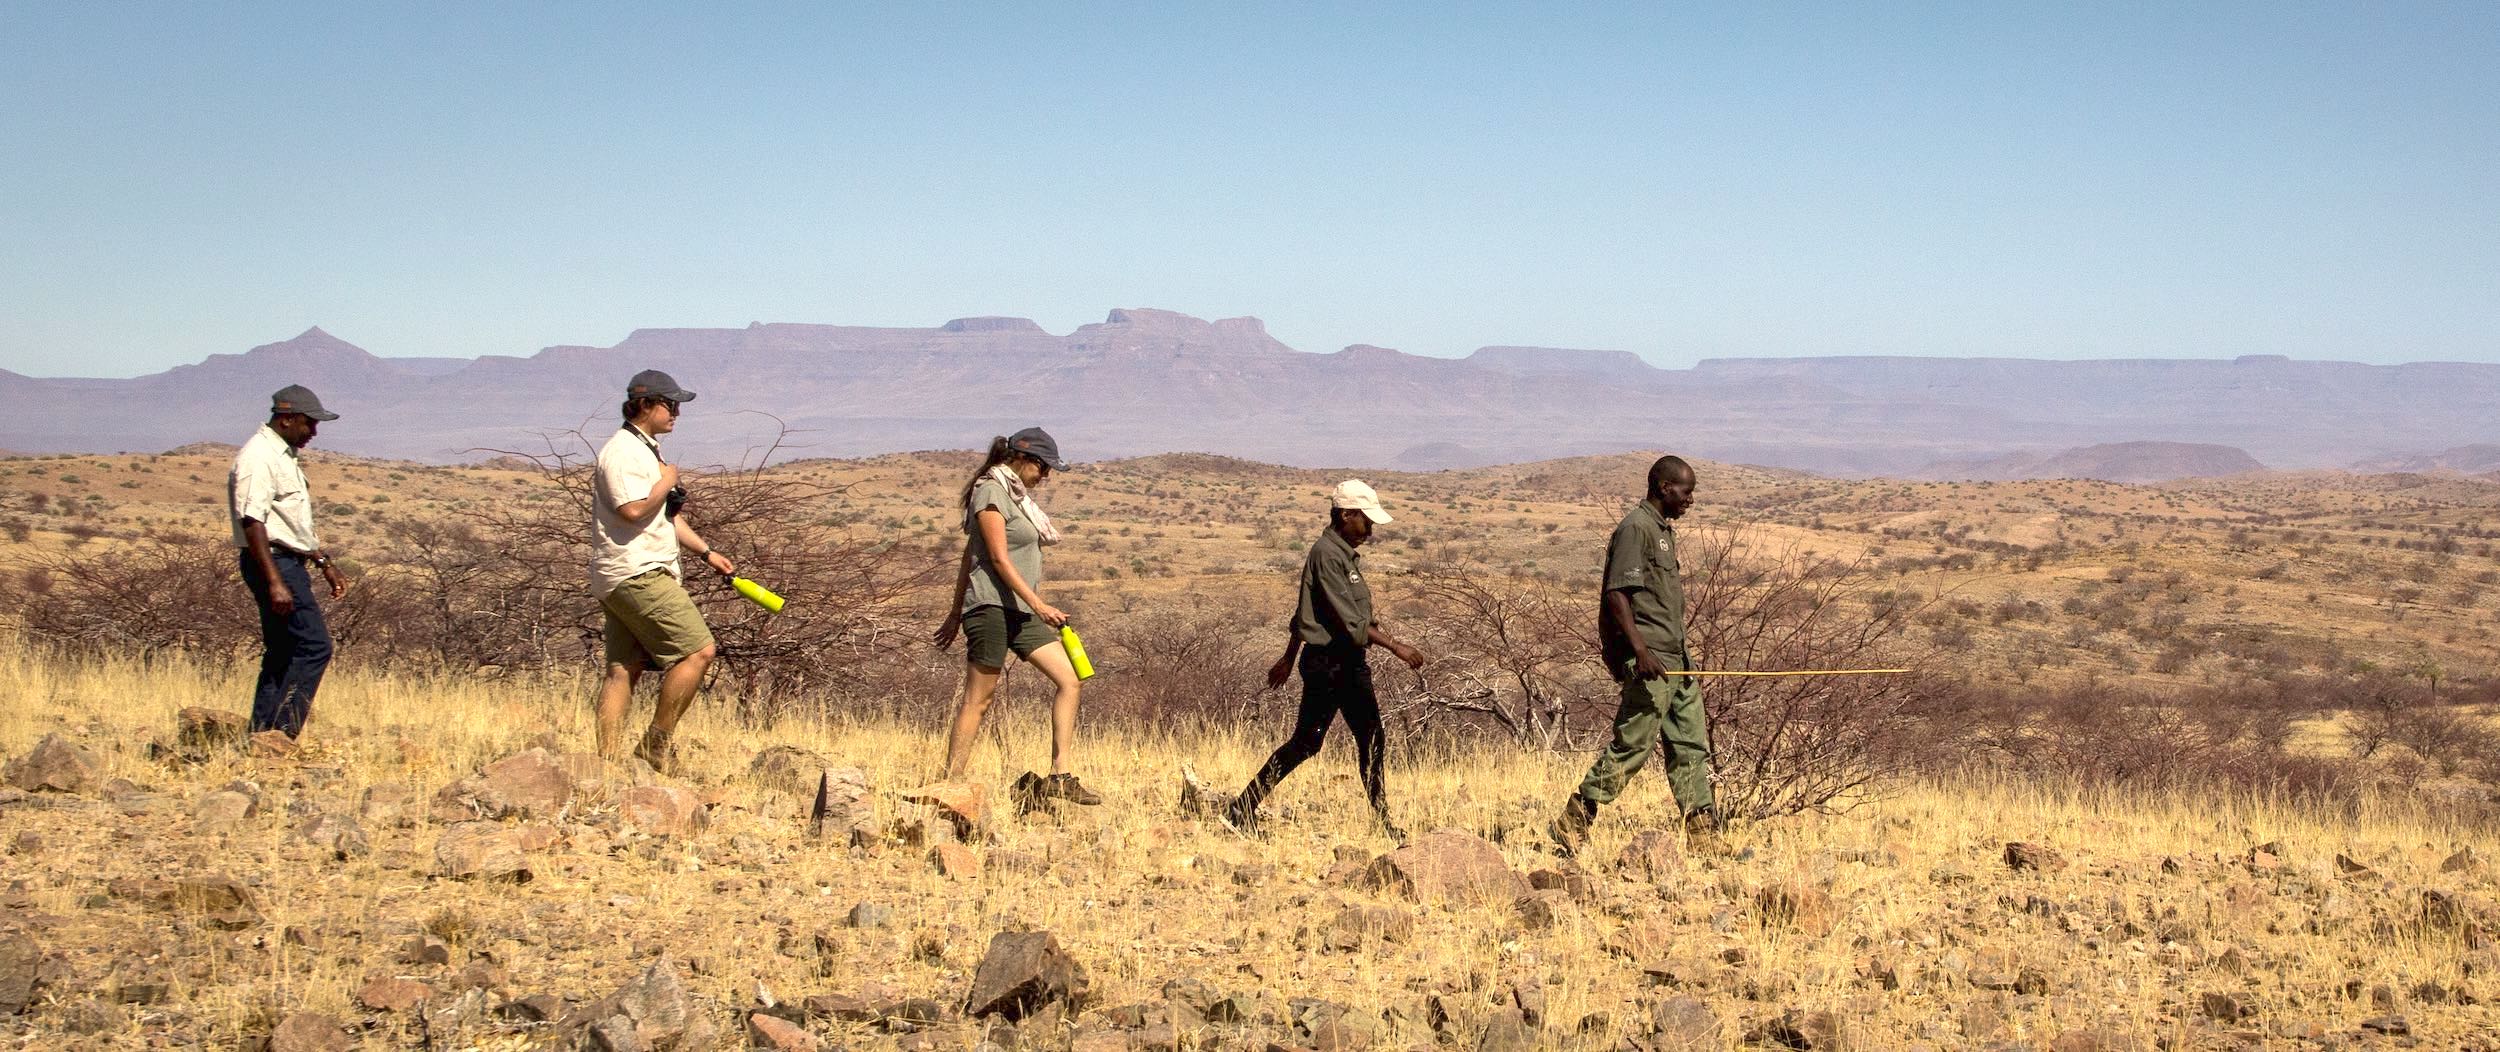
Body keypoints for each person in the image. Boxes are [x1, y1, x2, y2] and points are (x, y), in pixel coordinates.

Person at [1223, 480, 1426, 842]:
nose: (1370, 531)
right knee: (1314, 742)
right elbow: (1348, 622)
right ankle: (1242, 808)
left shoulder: (1337, 553)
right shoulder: (1328, 555)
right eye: (1366, 522)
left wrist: (1288, 658)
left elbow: (1307, 612)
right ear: (1346, 514)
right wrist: (1397, 647)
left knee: (1364, 737)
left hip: (1340, 663)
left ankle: (1381, 821)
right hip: (1333, 665)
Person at [1550, 455, 1721, 856]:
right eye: (1686, 491)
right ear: (1664, 488)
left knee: (1690, 744)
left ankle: (1703, 833)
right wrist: (1638, 650)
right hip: (1651, 661)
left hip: (1676, 659)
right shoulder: (1635, 528)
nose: (1690, 500)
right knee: (1633, 744)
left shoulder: (1662, 530)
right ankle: (1576, 818)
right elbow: (1616, 594)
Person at [931, 427, 1101, 805]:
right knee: (980, 699)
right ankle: (950, 783)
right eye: (1043, 468)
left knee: (1070, 680)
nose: (1046, 476)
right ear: (1024, 459)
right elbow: (994, 558)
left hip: (1020, 611)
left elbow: (968, 556)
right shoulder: (990, 491)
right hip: (992, 608)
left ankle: (1061, 776)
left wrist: (1031, 607)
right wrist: (961, 612)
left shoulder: (1016, 497)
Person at [590, 369, 738, 771]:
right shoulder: (622, 452)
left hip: (623, 572)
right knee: (698, 651)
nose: (676, 412)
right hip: (637, 570)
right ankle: (656, 743)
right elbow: (633, 509)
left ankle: (605, 765)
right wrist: (666, 481)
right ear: (646, 405)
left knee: (623, 669)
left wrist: (706, 552)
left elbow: (662, 518)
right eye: (670, 405)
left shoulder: (645, 448)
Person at [230, 384, 348, 739]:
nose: (313, 431)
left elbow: (288, 523)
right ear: (286, 419)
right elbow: (253, 521)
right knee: (314, 647)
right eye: (308, 423)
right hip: (274, 564)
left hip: (287, 562)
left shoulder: (282, 455)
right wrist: (275, 582)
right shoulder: (259, 457)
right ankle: (283, 732)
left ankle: (262, 736)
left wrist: (323, 561)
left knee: (283, 651)